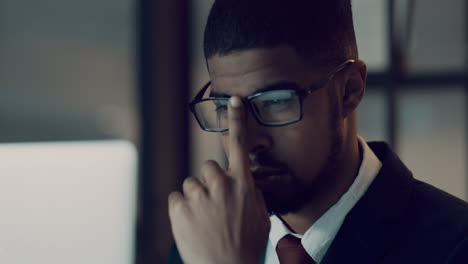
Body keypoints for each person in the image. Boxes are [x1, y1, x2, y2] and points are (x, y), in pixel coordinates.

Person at [167, 0, 468, 263]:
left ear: (350, 89)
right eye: (224, 108)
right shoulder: (198, 246)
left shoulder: (455, 247)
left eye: (275, 102)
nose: (246, 141)